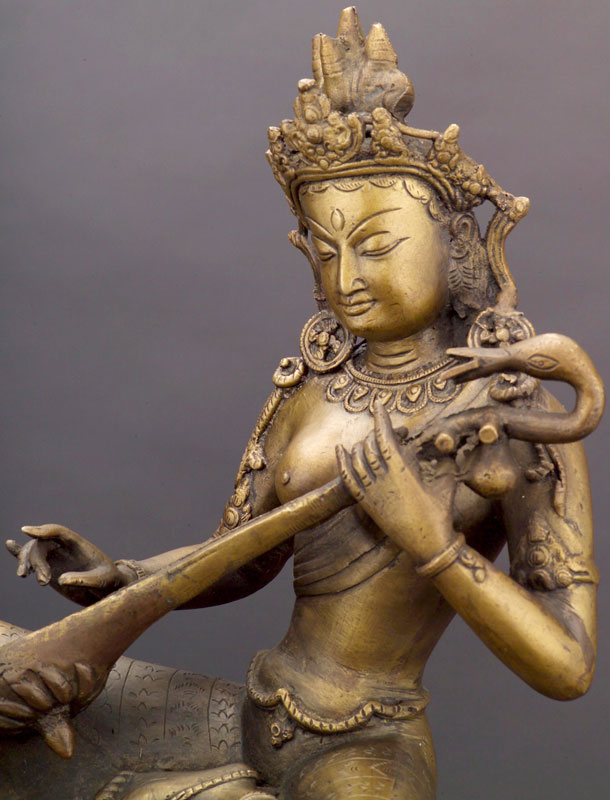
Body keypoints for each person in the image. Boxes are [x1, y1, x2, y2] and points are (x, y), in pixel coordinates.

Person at [0, 8, 602, 800]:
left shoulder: (516, 416)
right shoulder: (313, 385)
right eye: (325, 249)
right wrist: (121, 576)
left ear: (457, 244)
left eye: (376, 246)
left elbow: (567, 666)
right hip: (251, 711)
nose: (347, 277)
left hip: (366, 746)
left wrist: (433, 543)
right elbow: (241, 556)